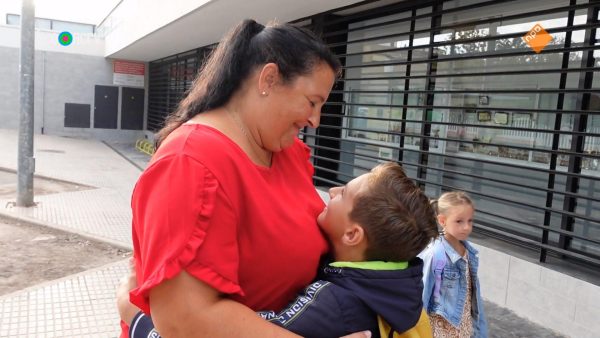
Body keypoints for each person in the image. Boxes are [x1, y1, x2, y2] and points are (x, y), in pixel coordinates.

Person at [117, 17, 378, 338]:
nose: (315, 120)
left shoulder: (289, 153)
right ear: (268, 79)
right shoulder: (190, 162)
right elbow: (183, 320)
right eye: (312, 102)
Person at [120, 162, 439, 338]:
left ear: (353, 234)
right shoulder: (396, 285)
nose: (333, 190)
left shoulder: (334, 304)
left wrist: (136, 320)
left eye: (345, 195)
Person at [418, 191, 488, 338]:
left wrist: (480, 331)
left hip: (463, 329)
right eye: (459, 221)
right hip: (440, 331)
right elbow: (421, 297)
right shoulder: (435, 254)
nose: (466, 227)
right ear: (442, 221)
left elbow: (473, 298)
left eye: (470, 221)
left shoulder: (469, 253)